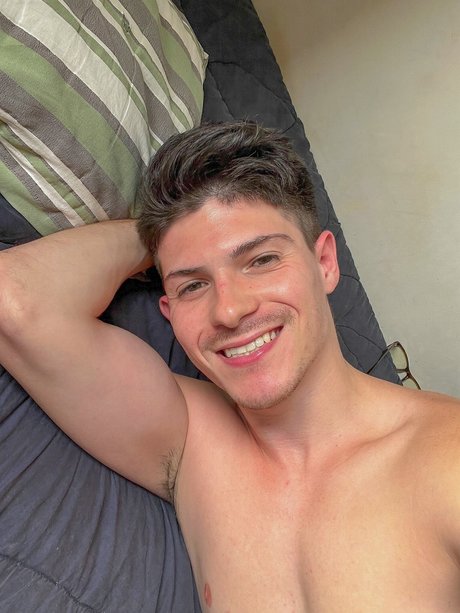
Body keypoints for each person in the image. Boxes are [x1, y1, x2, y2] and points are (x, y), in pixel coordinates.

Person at [0, 121, 459, 612]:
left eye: (261, 260)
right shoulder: (190, 438)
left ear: (325, 262)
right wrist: (158, 236)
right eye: (193, 285)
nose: (230, 309)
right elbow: (16, 302)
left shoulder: (444, 459)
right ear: (169, 312)